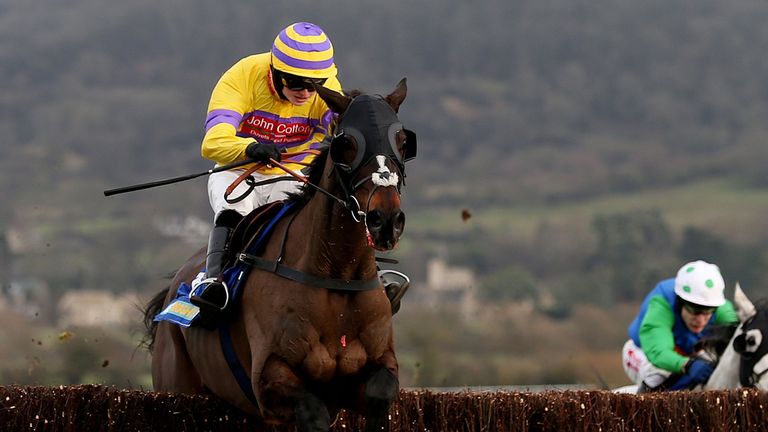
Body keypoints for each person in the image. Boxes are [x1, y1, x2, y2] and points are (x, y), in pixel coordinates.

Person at [189, 22, 343, 321]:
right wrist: (250, 148)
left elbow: (340, 127)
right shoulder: (243, 76)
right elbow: (213, 143)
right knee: (235, 207)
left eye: (314, 85)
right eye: (296, 83)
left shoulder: (324, 88)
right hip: (239, 169)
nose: (306, 93)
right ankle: (213, 280)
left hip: (293, 171)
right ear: (275, 70)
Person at [622, 260, 739, 392]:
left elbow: (739, 335)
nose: (700, 319)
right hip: (643, 352)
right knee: (657, 376)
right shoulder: (661, 305)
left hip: (690, 352)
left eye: (707, 311)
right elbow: (659, 352)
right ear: (680, 301)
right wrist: (688, 365)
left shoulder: (720, 307)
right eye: (694, 310)